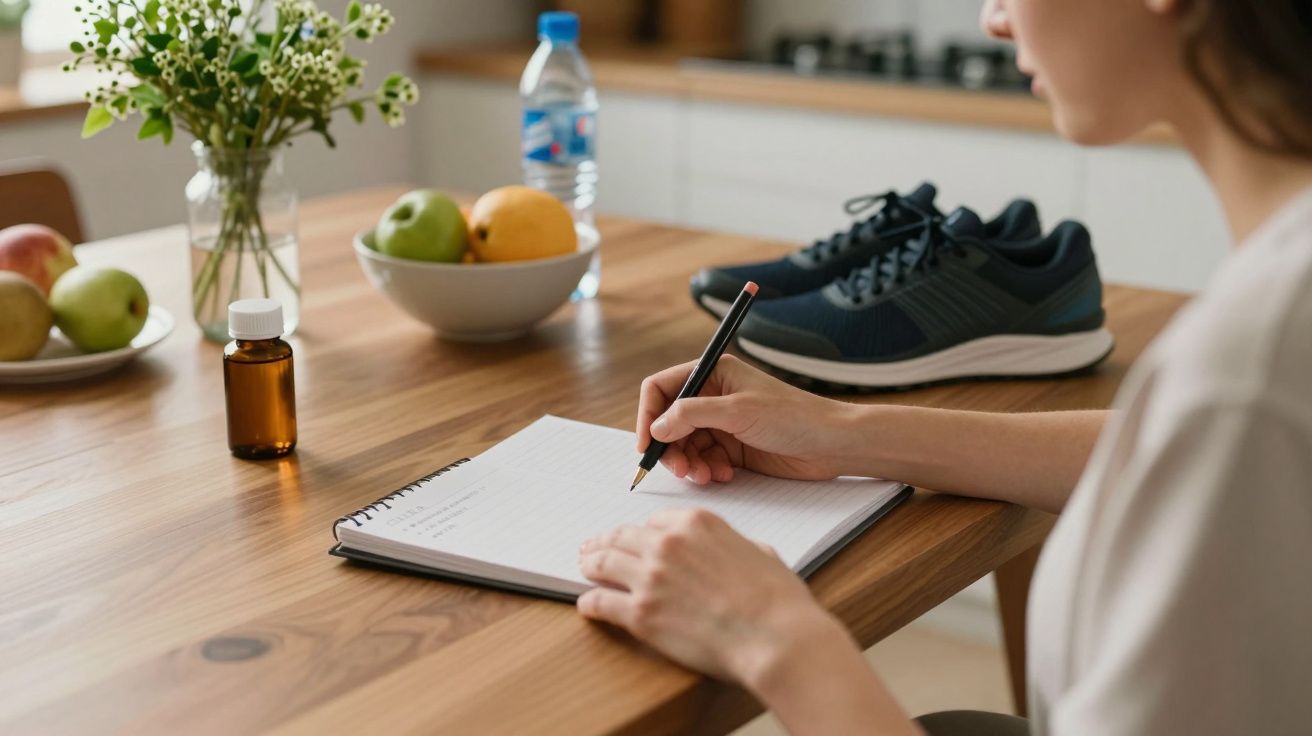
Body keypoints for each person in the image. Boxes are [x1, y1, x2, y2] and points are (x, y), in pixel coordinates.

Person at [574, 0, 1312, 733]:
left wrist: (770, 635)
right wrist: (838, 430)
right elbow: (1182, 456)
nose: (993, 20)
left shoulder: (1248, 371)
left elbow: (1223, 433)